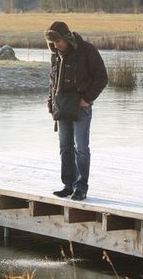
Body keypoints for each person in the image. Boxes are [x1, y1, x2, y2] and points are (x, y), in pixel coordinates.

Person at [45, 21, 108, 201]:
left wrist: (86, 99)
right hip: (62, 107)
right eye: (53, 41)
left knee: (81, 148)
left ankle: (81, 187)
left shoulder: (87, 50)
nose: (56, 44)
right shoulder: (55, 55)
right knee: (65, 147)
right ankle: (68, 185)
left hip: (81, 107)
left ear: (66, 37)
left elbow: (102, 77)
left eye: (58, 41)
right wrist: (51, 105)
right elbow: (52, 82)